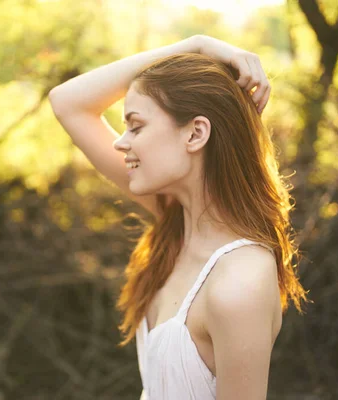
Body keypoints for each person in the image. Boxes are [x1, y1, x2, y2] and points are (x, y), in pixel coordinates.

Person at [48, 35, 309, 400]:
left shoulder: (239, 285)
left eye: (136, 126)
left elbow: (68, 103)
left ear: (196, 133)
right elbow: (67, 102)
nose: (121, 142)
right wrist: (196, 46)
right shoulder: (177, 219)